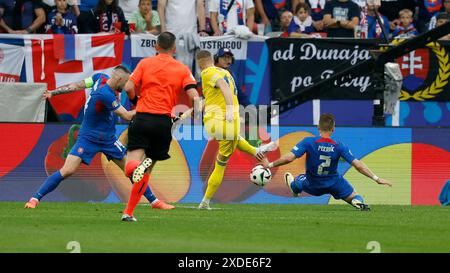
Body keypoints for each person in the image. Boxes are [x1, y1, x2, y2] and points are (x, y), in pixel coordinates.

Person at [25, 66, 174, 210]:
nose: (127, 85)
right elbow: (127, 115)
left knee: (132, 170)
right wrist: (153, 110)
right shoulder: (105, 94)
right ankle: (34, 199)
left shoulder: (98, 78)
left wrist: (54, 93)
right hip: (88, 137)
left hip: (108, 139)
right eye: (126, 81)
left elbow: (76, 86)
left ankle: (154, 202)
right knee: (67, 170)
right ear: (119, 78)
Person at [121, 32, 201, 221]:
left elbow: (127, 87)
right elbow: (194, 96)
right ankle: (128, 212)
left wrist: (135, 100)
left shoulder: (144, 63)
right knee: (146, 172)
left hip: (142, 118)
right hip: (162, 123)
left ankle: (134, 170)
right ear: (174, 49)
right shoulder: (181, 69)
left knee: (129, 168)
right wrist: (197, 111)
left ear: (156, 47)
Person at [196, 50, 277, 210]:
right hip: (232, 124)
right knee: (221, 163)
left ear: (200, 64)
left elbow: (224, 87)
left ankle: (205, 202)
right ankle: (255, 151)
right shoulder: (226, 72)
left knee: (220, 163)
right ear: (212, 59)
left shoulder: (207, 72)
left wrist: (229, 109)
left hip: (218, 121)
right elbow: (217, 93)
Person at [262, 113, 392, 211]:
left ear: (318, 126)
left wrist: (270, 165)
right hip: (334, 183)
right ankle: (357, 202)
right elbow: (358, 165)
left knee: (298, 181)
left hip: (313, 184)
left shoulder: (308, 141)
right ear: (333, 129)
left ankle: (295, 188)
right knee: (354, 196)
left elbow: (289, 158)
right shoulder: (339, 146)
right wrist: (376, 178)